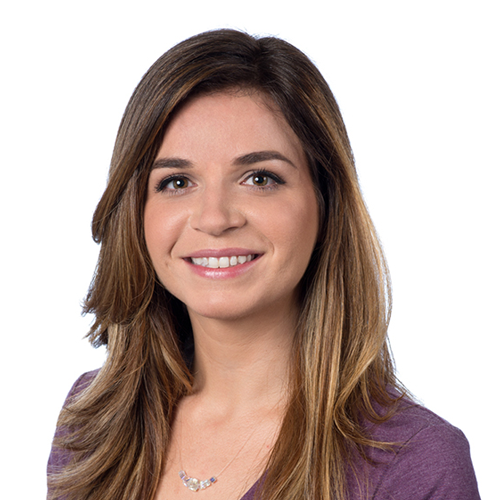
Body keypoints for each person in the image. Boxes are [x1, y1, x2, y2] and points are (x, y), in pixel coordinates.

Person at [47, 29, 480, 500]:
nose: (215, 218)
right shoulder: (94, 422)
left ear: (326, 203)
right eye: (176, 182)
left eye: (259, 178)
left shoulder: (413, 462)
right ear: (135, 211)